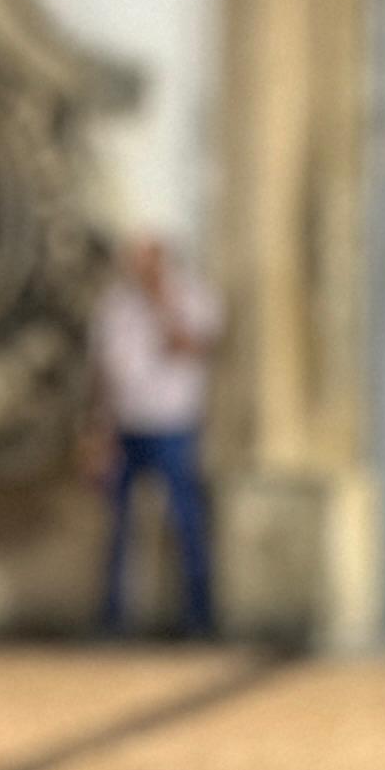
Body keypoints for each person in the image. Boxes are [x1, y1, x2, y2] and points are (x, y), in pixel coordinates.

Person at [93, 232, 224, 637]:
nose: (138, 269)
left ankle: (199, 618)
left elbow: (190, 345)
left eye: (145, 260)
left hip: (173, 426)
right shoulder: (114, 307)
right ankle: (114, 620)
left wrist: (162, 304)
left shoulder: (195, 297)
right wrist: (98, 431)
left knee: (186, 522)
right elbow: (104, 375)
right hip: (126, 427)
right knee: (118, 528)